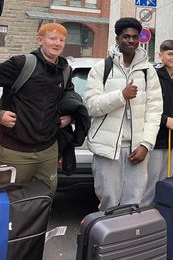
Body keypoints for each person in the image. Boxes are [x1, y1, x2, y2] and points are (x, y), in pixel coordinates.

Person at [84, 17, 163, 210]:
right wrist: (121, 95)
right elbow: (91, 106)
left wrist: (145, 144)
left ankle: (128, 240)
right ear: (117, 38)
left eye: (135, 37)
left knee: (134, 203)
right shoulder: (101, 68)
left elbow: (154, 111)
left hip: (137, 148)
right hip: (107, 147)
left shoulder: (147, 71)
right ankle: (108, 240)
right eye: (126, 36)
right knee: (108, 202)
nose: (131, 41)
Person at [0, 23, 74, 194]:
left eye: (61, 40)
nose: (57, 43)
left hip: (48, 152)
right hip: (14, 151)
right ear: (40, 40)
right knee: (10, 205)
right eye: (53, 38)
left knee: (44, 203)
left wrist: (70, 115)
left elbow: (68, 96)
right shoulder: (21, 64)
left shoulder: (65, 70)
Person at [141, 39, 173, 206]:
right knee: (151, 182)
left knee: (166, 180)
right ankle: (145, 217)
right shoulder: (153, 75)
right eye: (169, 54)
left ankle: (161, 217)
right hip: (155, 139)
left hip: (172, 139)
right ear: (160, 55)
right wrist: (165, 120)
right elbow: (145, 106)